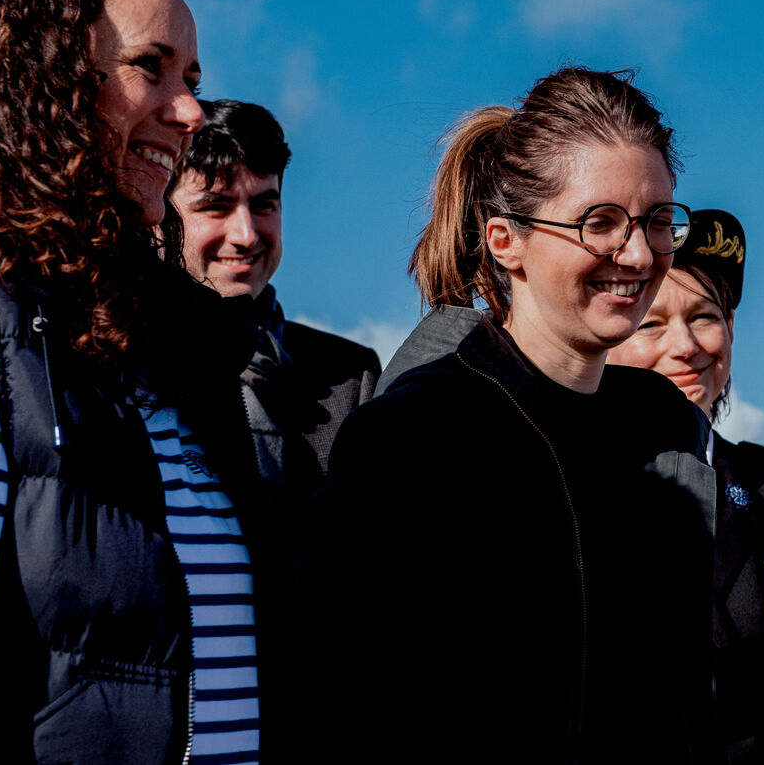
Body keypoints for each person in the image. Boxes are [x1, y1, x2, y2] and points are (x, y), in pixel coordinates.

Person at [0, 0, 299, 763]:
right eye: (153, 66)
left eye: (193, 80)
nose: (189, 112)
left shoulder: (179, 342)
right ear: (44, 81)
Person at [309, 67, 720, 763]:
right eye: (600, 222)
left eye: (657, 221)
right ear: (506, 241)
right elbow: (344, 709)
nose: (638, 253)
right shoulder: (411, 435)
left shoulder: (667, 429)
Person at [608, 209, 764, 763]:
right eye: (650, 324)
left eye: (704, 317)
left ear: (732, 328)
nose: (685, 346)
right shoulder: (576, 486)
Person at [165, 99, 380, 498]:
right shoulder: (123, 363)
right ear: (159, 216)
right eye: (215, 206)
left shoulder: (350, 376)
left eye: (264, 205)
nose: (246, 234)